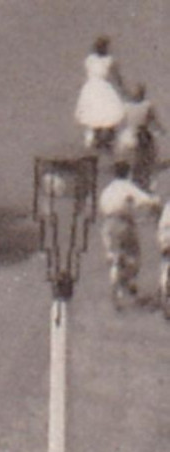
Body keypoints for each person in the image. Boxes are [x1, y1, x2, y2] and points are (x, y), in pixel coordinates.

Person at [98, 162, 161, 302]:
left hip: (108, 224)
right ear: (128, 173)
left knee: (113, 253)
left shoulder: (107, 190)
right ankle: (130, 280)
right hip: (124, 223)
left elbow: (102, 205)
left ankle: (115, 274)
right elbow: (144, 200)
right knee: (133, 253)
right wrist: (154, 201)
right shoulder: (128, 187)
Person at [75, 36, 127, 152]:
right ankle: (98, 143)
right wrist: (124, 90)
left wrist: (123, 90)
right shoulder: (92, 60)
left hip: (99, 88)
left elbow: (117, 78)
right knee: (97, 117)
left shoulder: (105, 60)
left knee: (107, 116)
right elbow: (117, 79)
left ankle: (106, 142)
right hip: (94, 89)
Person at [117, 84, 164, 191]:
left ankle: (127, 176)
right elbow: (154, 121)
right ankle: (149, 176)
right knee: (152, 153)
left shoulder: (126, 106)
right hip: (141, 134)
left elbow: (121, 120)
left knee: (126, 156)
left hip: (128, 135)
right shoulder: (147, 105)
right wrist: (161, 130)